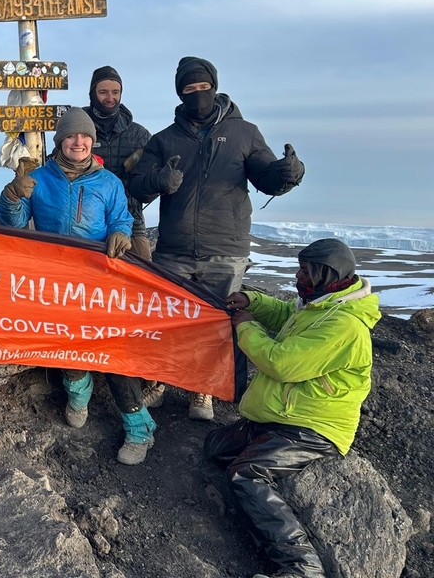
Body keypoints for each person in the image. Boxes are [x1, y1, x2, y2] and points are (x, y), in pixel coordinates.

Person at [128, 56, 305, 421]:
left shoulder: (245, 133)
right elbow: (137, 187)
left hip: (225, 248)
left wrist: (288, 174)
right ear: (179, 92)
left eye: (202, 87)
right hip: (174, 248)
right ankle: (160, 380)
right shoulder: (165, 139)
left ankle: (201, 391)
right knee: (167, 321)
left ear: (215, 86)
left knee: (217, 324)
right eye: (189, 89)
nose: (197, 94)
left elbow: (267, 178)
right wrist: (159, 180)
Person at [205, 239, 379, 578]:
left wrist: (246, 325)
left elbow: (281, 363)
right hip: (280, 416)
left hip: (312, 427)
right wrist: (253, 300)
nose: (298, 276)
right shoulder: (324, 304)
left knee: (245, 474)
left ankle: (301, 567)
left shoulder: (344, 325)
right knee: (215, 446)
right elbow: (288, 316)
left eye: (304, 271)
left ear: (325, 274)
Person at [0, 107, 157, 465]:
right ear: (60, 140)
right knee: (68, 346)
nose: (78, 141)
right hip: (55, 281)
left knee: (112, 351)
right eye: (71, 136)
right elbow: (15, 224)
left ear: (92, 140)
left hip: (100, 281)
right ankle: (78, 393)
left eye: (84, 136)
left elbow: (121, 215)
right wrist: (11, 197)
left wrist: (120, 231)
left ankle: (139, 428)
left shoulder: (109, 182)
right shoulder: (39, 178)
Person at [83, 66, 153, 260]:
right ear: (93, 94)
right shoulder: (78, 130)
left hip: (132, 224)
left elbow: (152, 182)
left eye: (115, 92)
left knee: (142, 283)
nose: (110, 98)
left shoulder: (138, 134)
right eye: (103, 92)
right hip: (85, 225)